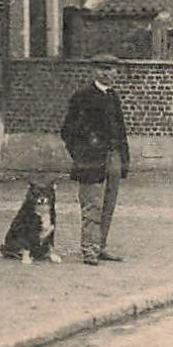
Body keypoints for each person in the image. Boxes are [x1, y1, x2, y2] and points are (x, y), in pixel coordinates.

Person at [60, 54, 131, 266]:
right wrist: (82, 154)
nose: (107, 73)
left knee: (108, 204)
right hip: (91, 160)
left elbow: (120, 130)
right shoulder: (82, 96)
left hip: (113, 157)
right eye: (102, 69)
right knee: (92, 206)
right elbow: (68, 130)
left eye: (111, 69)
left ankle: (100, 245)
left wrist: (123, 157)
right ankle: (89, 249)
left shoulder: (113, 97)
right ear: (94, 71)